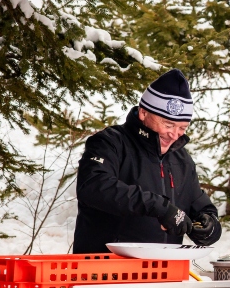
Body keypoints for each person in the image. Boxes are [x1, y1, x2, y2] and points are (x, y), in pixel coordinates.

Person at [73, 69, 222, 254]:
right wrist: (158, 206)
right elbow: (93, 187)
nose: (174, 134)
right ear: (144, 113)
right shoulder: (109, 143)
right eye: (168, 125)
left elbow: (199, 205)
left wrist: (209, 224)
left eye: (182, 127)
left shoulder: (181, 159)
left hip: (163, 274)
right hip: (107, 271)